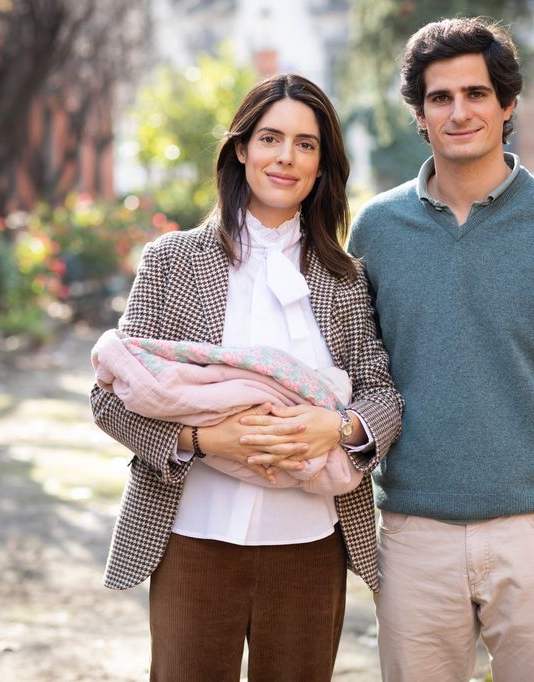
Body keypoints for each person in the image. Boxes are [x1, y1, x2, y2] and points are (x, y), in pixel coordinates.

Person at [346, 18, 534, 682]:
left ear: (507, 104)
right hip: (414, 533)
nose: (460, 112)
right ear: (420, 115)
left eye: (477, 94)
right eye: (440, 97)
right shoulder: (376, 229)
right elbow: (351, 371)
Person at [90, 73, 403, 682]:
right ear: (241, 148)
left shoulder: (344, 278)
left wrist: (339, 428)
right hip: (192, 539)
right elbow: (110, 399)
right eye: (270, 138)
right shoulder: (172, 261)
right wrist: (206, 442)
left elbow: (380, 390)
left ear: (322, 165)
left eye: (306, 144)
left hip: (311, 545)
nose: (286, 157)